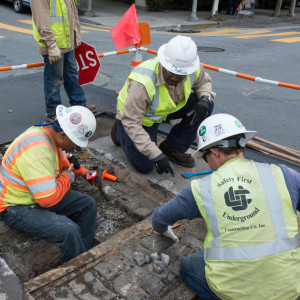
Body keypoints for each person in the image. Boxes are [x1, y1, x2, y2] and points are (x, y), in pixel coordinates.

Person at [152, 113, 300, 299]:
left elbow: (159, 217)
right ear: (242, 144)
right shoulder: (283, 174)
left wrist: (160, 232)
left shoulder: (201, 188)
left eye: (204, 157)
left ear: (214, 152)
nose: (206, 162)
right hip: (291, 287)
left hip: (234, 290)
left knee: (189, 265)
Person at [0, 105, 101, 264]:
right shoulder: (37, 149)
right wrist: (68, 177)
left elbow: (60, 161)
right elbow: (47, 199)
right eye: (73, 142)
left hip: (36, 194)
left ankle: (81, 252)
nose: (74, 147)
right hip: (16, 205)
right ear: (63, 135)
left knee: (88, 205)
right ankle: (78, 267)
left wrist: (81, 171)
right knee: (68, 230)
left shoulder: (49, 134)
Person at [111, 35, 215, 176]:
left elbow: (204, 82)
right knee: (146, 166)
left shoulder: (191, 68)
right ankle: (120, 130)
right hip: (136, 119)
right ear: (163, 63)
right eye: (171, 72)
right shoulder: (143, 82)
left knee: (206, 106)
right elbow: (132, 121)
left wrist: (205, 99)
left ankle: (173, 147)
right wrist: (156, 155)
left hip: (164, 111)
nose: (175, 78)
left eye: (180, 75)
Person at [31, 0, 97, 122]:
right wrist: (50, 44)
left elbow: (72, 15)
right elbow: (41, 18)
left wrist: (75, 38)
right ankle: (53, 112)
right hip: (54, 43)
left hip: (66, 41)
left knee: (71, 75)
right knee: (54, 78)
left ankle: (79, 105)